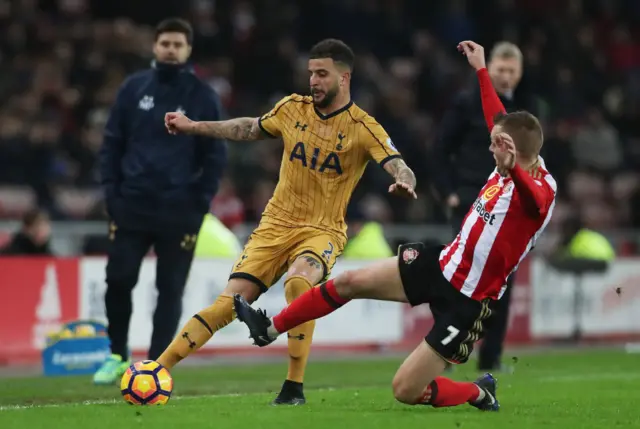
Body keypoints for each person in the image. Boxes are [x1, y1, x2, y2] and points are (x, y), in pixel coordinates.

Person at [233, 40, 557, 412]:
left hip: (468, 301)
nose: (489, 150)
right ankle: (268, 328)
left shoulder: (541, 188)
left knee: (405, 390)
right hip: (442, 265)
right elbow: (496, 114)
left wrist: (511, 166)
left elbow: (533, 199)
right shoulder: (511, 150)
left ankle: (478, 392)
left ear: (515, 151)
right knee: (349, 282)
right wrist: (481, 70)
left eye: (496, 146)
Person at [158, 38, 417, 405]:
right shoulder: (292, 109)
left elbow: (396, 162)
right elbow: (248, 128)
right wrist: (194, 126)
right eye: (311, 73)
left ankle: (293, 387)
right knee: (225, 306)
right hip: (274, 226)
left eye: (322, 74)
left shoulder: (363, 126)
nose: (313, 81)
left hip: (322, 230)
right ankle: (157, 369)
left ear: (344, 78)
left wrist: (405, 180)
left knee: (299, 281)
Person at [94, 18, 227, 384]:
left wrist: (198, 203)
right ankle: (118, 355)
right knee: (118, 280)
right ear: (155, 46)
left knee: (169, 290)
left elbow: (214, 155)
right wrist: (112, 194)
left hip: (178, 210)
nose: (171, 49)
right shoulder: (133, 88)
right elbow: (111, 144)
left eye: (177, 44)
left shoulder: (203, 96)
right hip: (131, 205)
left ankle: (155, 365)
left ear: (188, 50)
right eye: (165, 43)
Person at [431, 41, 538, 371]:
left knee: (503, 282)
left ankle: (490, 358)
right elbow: (438, 148)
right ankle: (443, 352)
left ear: (519, 73)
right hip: (470, 202)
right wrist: (448, 191)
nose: (505, 76)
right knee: (455, 277)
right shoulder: (467, 102)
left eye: (511, 70)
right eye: (500, 69)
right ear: (490, 68)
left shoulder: (526, 109)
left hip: (509, 209)